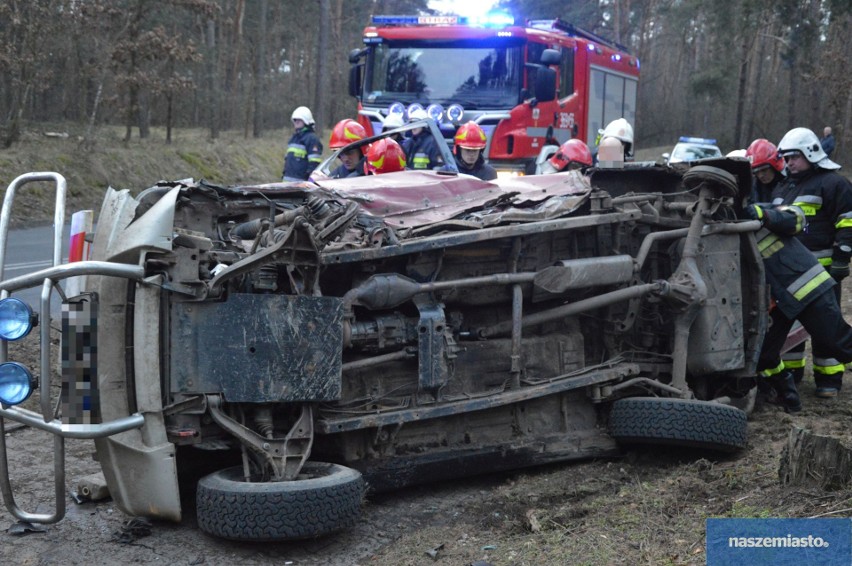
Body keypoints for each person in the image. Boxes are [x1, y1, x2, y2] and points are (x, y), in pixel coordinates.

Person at [773, 127, 852, 398]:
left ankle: (829, 380)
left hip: (822, 273)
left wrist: (843, 256)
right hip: (789, 274)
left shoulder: (833, 184)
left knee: (825, 326)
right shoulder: (784, 187)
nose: (790, 162)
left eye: (795, 156)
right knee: (791, 325)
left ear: (811, 153)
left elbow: (848, 221)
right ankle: (793, 375)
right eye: (786, 157)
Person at [282, 106, 323, 181]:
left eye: (299, 119)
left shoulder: (312, 139)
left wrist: (308, 179)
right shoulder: (293, 138)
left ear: (306, 121)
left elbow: (314, 163)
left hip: (301, 185)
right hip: (286, 184)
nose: (296, 121)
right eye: (295, 120)